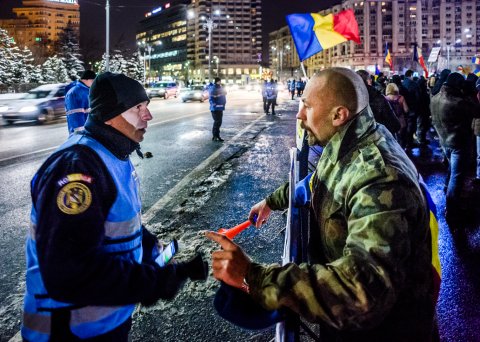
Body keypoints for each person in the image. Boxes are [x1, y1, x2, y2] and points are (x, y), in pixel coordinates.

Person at [206, 67, 436, 341]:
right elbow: (319, 181)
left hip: (385, 333)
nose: (300, 114)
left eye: (307, 105)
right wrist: (271, 201)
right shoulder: (348, 142)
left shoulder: (379, 178)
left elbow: (361, 292)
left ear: (338, 115)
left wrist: (253, 275)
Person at [22, 72, 208, 341]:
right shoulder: (77, 168)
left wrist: (148, 246)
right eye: (138, 108)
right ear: (111, 114)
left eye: (147, 107)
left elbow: (116, 221)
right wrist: (155, 282)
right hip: (69, 331)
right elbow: (70, 271)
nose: (148, 116)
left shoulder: (113, 154)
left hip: (106, 323)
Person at [430, 72, 480, 228]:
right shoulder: (458, 102)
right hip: (457, 142)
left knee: (452, 171)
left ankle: (449, 195)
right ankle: (452, 211)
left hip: (445, 141)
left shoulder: (435, 98)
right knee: (457, 177)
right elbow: (477, 110)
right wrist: (470, 92)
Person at [356, 70, 400, 135]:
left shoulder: (349, 99)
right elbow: (395, 124)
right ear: (368, 81)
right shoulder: (378, 98)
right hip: (378, 139)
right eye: (370, 78)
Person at [65, 70, 97, 134]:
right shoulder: (74, 92)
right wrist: (80, 132)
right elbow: (74, 114)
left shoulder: (88, 91)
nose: (94, 83)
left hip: (89, 130)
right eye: (92, 80)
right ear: (85, 80)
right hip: (81, 132)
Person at [385, 82, 409, 147]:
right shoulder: (401, 98)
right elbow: (406, 110)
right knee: (401, 138)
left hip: (390, 122)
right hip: (400, 121)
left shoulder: (384, 98)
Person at [209, 77, 227, 141]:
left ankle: (217, 135)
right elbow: (211, 98)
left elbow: (224, 95)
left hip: (220, 107)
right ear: (217, 81)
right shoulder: (213, 88)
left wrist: (224, 103)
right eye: (219, 81)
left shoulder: (221, 87)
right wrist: (214, 104)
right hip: (215, 108)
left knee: (219, 122)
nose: (220, 82)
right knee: (217, 122)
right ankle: (215, 136)